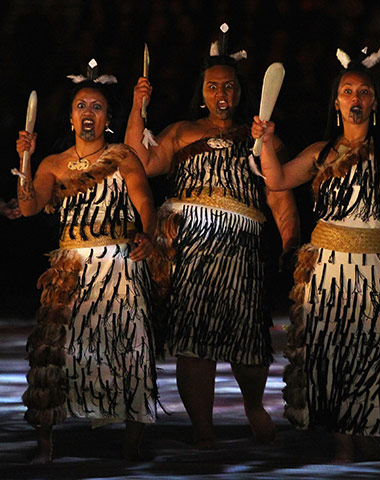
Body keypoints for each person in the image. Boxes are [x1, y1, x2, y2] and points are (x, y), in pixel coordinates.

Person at [125, 24, 300, 448]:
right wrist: (137, 106)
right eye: (212, 86)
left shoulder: (258, 137)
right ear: (202, 91)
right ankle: (202, 426)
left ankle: (254, 405)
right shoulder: (182, 131)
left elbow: (279, 197)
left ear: (241, 91)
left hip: (242, 250)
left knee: (248, 337)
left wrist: (292, 245)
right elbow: (138, 162)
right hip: (189, 251)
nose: (221, 93)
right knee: (193, 343)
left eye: (229, 85)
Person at [252, 47, 380, 463]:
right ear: (337, 103)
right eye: (347, 91)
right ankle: (343, 438)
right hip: (328, 267)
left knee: (373, 350)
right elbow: (275, 180)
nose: (355, 98)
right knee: (333, 351)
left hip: (377, 268)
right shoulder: (320, 152)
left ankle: (366, 425)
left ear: (373, 103)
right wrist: (264, 141)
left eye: (363, 91)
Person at [16, 61, 158, 463]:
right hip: (70, 271)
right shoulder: (54, 164)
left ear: (107, 117)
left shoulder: (124, 156)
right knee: (54, 353)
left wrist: (146, 233)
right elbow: (29, 208)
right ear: (72, 115)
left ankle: (131, 444)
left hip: (118, 266)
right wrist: (25, 161)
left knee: (130, 350)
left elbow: (145, 200)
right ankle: (45, 445)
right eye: (82, 106)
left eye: (96, 107)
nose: (88, 113)